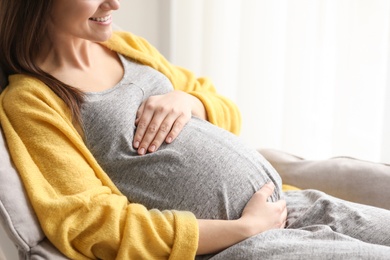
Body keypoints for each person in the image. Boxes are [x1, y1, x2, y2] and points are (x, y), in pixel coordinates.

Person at [0, 0, 389, 259]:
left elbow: (226, 109)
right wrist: (242, 229)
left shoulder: (125, 45)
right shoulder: (31, 100)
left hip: (294, 206)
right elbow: (92, 223)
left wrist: (190, 102)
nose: (114, 3)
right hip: (241, 245)